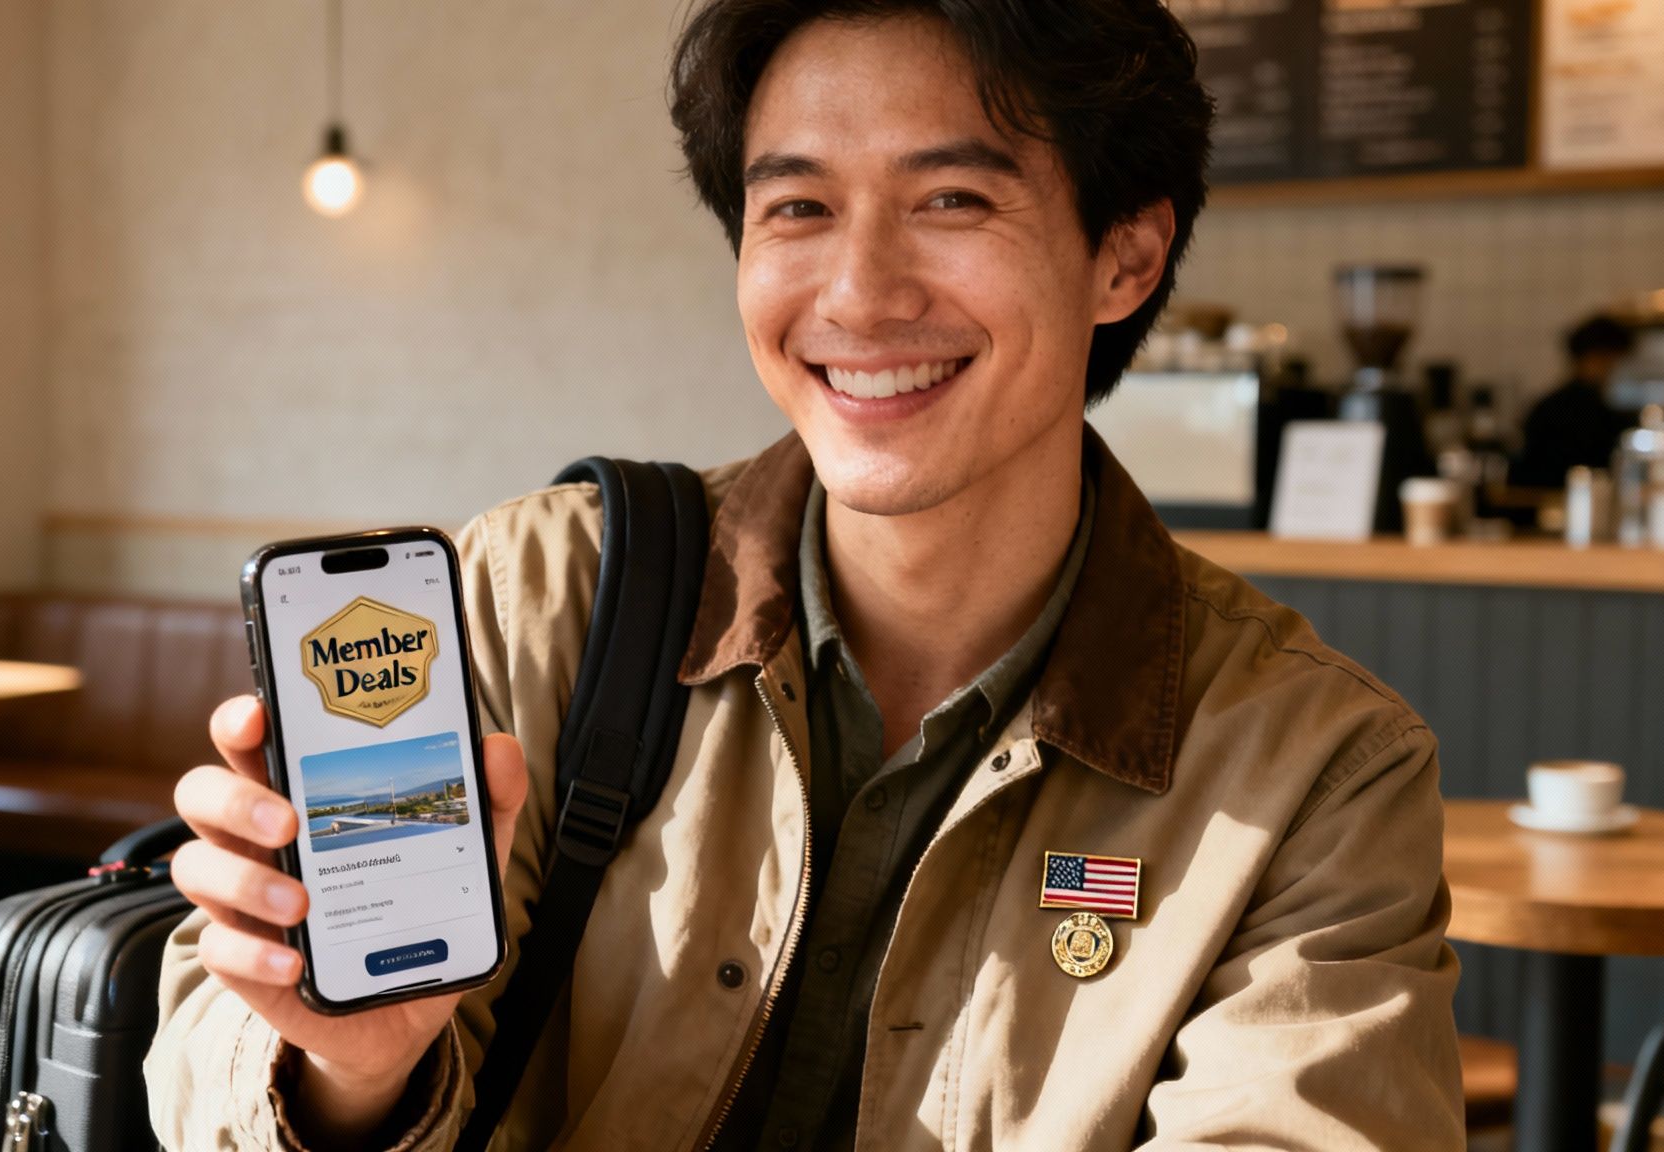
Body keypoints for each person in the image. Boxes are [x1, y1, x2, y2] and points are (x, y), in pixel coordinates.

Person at [145, 2, 1463, 1149]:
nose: (860, 293)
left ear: (1124, 255)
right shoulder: (539, 598)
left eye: (952, 200)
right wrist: (351, 1074)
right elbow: (207, 1067)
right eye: (798, 208)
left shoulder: (1311, 773)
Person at [1516, 314, 1638, 489]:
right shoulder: (1597, 411)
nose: (1614, 369)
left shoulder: (1546, 406)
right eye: (1614, 360)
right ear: (1595, 357)